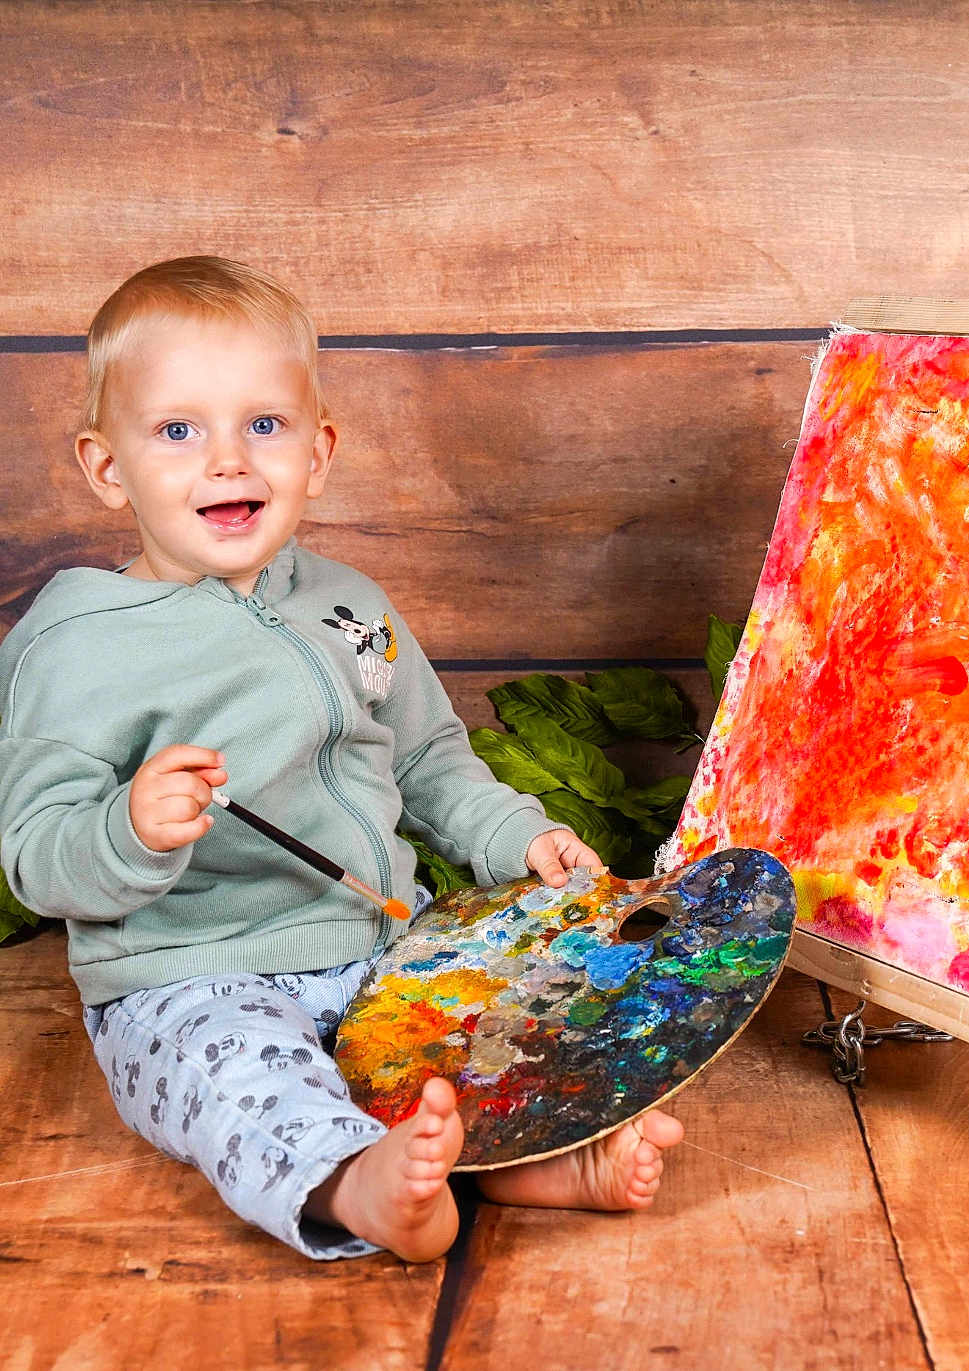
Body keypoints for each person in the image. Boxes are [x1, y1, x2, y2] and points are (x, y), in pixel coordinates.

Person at [0, 257, 684, 1261]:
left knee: (493, 1021)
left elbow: (429, 759)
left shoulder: (347, 604)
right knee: (243, 1081)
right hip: (194, 978)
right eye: (179, 431)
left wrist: (518, 836)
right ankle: (354, 1188)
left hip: (382, 952)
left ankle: (542, 1157)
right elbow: (35, 853)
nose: (229, 461)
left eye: (263, 426)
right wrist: (128, 829)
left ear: (318, 452)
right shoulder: (74, 646)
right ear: (109, 469)